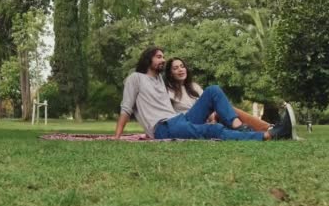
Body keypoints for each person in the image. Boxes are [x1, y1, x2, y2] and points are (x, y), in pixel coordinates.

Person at [114, 46, 295, 141]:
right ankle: (268, 134)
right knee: (214, 129)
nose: (163, 59)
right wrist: (117, 137)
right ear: (148, 59)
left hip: (179, 120)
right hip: (163, 128)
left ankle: (244, 128)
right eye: (159, 56)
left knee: (213, 90)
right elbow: (126, 108)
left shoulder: (159, 80)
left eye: (163, 57)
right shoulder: (135, 78)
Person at [164, 57, 273, 132]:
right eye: (175, 68)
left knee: (229, 110)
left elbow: (207, 108)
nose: (180, 69)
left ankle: (269, 128)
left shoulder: (194, 87)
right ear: (170, 73)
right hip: (187, 123)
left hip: (205, 119)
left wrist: (213, 118)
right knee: (214, 90)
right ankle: (239, 126)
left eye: (182, 66)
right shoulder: (168, 91)